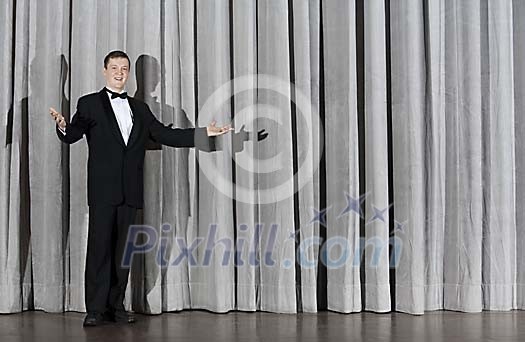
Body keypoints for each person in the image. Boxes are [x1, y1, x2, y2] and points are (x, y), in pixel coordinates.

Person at [49, 50, 232, 327]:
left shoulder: (140, 109)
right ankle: (95, 309)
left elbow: (165, 135)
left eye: (124, 68)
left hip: (130, 191)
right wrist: (63, 126)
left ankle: (115, 306)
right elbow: (73, 135)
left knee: (124, 252)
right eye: (114, 67)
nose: (120, 72)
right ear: (104, 70)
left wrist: (203, 132)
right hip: (102, 191)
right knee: (99, 250)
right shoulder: (89, 104)